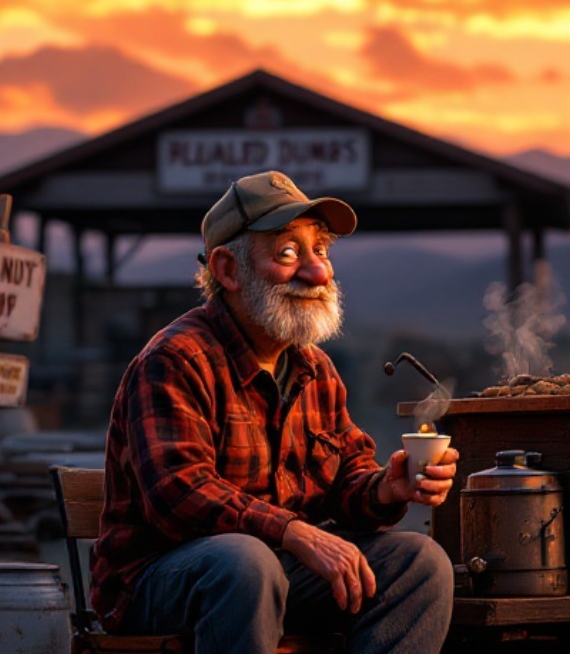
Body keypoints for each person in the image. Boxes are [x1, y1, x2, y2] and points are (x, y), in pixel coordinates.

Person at [93, 170, 458, 654]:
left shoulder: (315, 368)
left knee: (420, 563)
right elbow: (177, 495)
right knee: (244, 562)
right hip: (160, 579)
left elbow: (344, 481)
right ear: (227, 271)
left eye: (321, 250)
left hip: (276, 570)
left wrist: (386, 487)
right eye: (288, 254)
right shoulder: (176, 360)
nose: (317, 273)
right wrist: (291, 531)